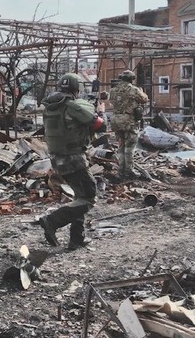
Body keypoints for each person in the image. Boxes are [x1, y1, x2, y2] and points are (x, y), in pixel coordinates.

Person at [36, 73, 107, 250]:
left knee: (79, 196)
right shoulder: (73, 106)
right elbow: (100, 125)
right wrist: (99, 112)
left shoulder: (50, 107)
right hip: (74, 158)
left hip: (57, 159)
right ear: (76, 89)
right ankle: (52, 221)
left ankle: (77, 238)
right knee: (89, 197)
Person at [109, 70, 149, 180]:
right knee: (129, 147)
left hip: (116, 120)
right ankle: (129, 171)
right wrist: (141, 92)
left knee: (121, 146)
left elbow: (112, 101)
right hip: (129, 121)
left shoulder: (113, 90)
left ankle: (120, 170)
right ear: (132, 79)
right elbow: (144, 99)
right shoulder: (133, 89)